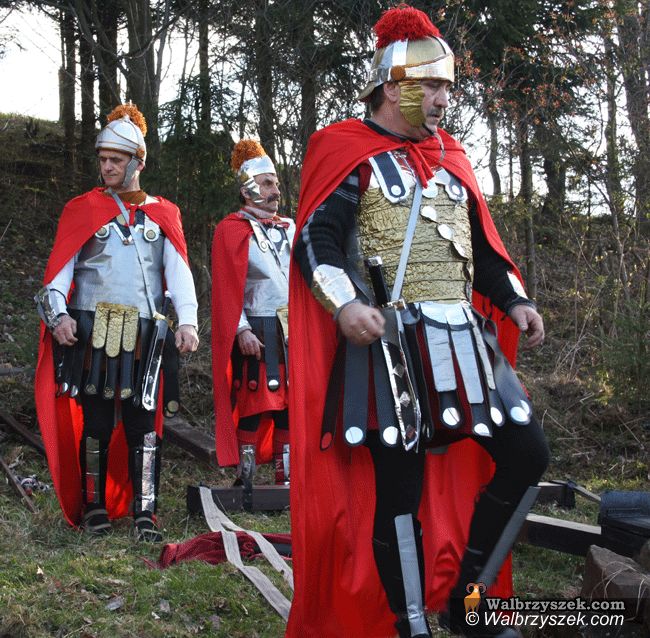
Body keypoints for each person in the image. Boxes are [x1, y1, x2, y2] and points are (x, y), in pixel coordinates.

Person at [288, 6, 549, 638]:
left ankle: (470, 603)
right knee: (400, 489)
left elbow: (481, 250)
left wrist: (515, 300)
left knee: (527, 454)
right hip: (389, 346)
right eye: (430, 86)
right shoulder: (347, 151)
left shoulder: (451, 157)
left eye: (446, 87)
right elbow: (317, 241)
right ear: (390, 86)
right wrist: (345, 304)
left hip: (464, 338)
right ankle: (411, 625)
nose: (442, 99)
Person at [35, 104, 199, 542]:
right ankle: (94, 506)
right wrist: (59, 316)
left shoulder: (164, 214)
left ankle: (146, 511)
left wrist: (188, 321)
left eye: (116, 160)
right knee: (97, 424)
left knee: (143, 426)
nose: (106, 167)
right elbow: (57, 277)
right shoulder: (82, 209)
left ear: (137, 163)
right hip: (94, 332)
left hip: (145, 336)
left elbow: (179, 271)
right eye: (103, 159)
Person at [211, 140, 294, 489]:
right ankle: (245, 478)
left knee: (289, 403)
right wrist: (241, 329)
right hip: (256, 329)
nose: (275, 190)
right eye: (267, 184)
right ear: (247, 191)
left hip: (291, 328)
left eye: (275, 183)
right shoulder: (231, 229)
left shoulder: (290, 227)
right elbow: (226, 288)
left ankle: (286, 478)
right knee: (254, 401)